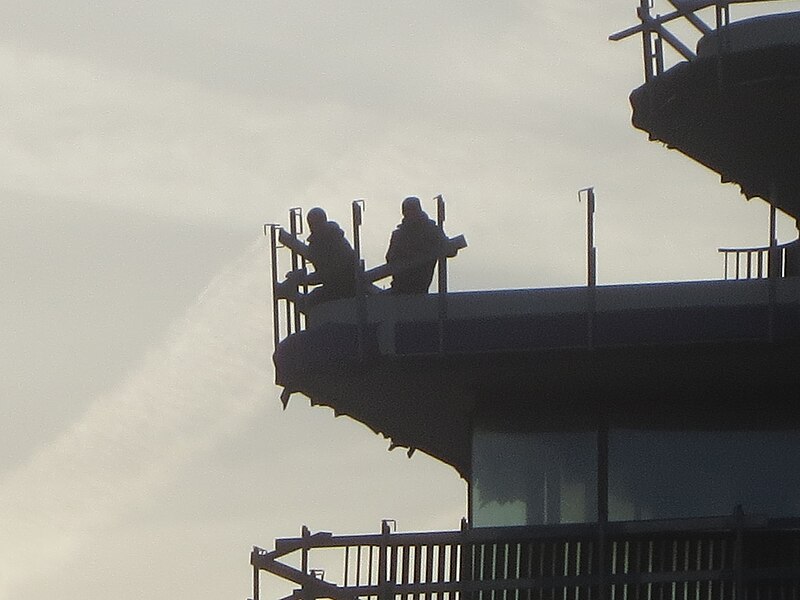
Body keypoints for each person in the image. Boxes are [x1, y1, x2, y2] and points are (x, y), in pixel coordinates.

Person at [290, 207, 356, 307]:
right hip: (339, 287)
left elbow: (329, 273)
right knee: (310, 299)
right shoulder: (330, 238)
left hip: (344, 289)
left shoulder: (332, 242)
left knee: (309, 301)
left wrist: (304, 280)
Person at [385, 196, 447, 294]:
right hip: (401, 286)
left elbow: (449, 249)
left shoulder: (431, 231)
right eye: (407, 210)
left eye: (412, 210)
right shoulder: (399, 235)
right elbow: (390, 258)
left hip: (419, 285)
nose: (409, 213)